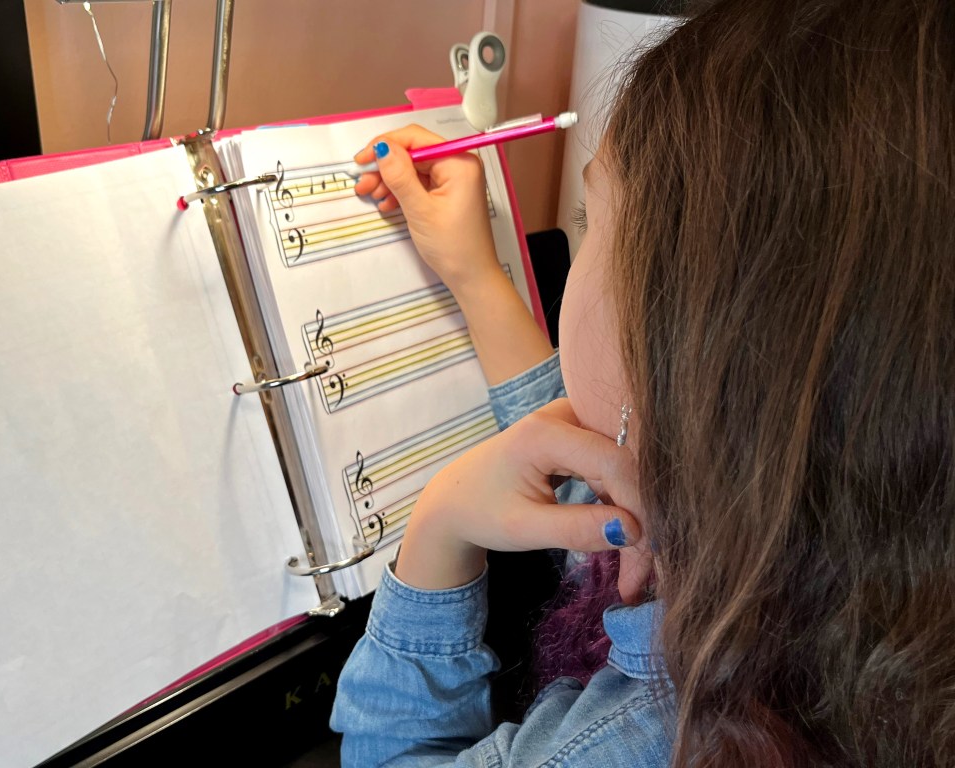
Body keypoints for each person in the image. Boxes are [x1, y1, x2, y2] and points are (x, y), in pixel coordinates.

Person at [330, 0, 955, 764]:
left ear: (686, 347)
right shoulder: (829, 567)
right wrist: (473, 274)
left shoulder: (630, 740)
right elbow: (600, 464)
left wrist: (438, 531)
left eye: (592, 223)